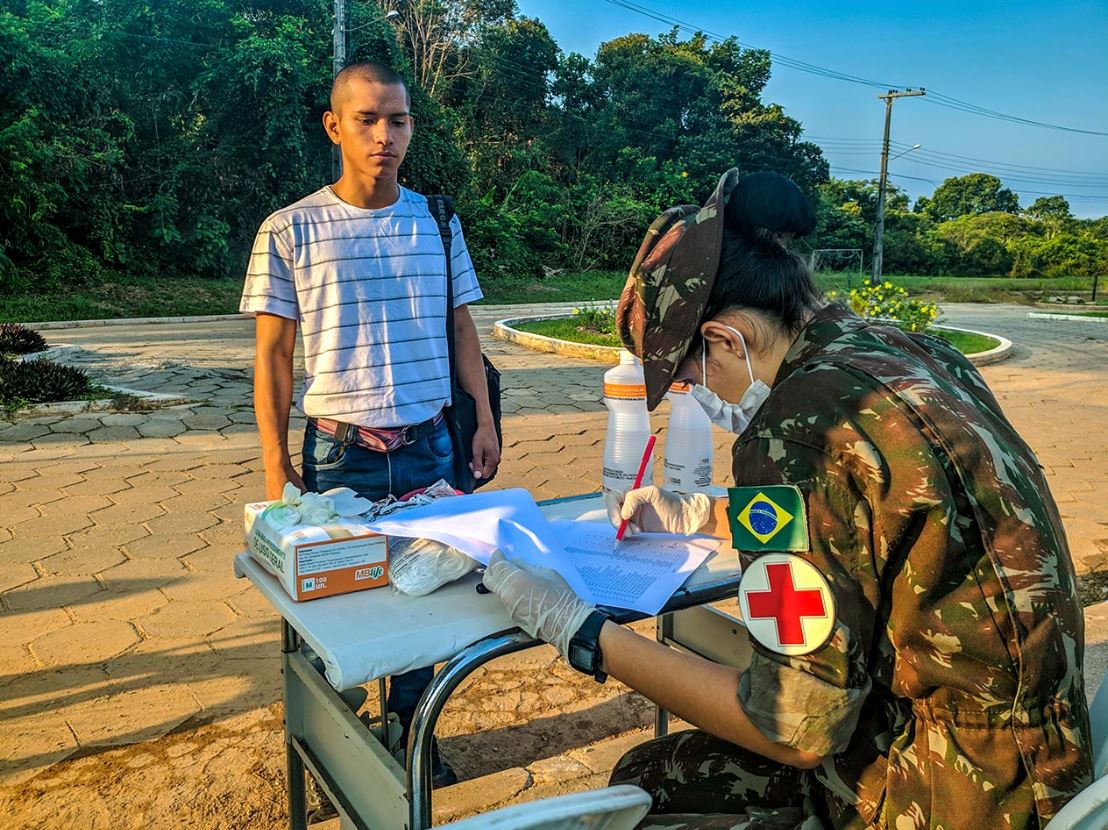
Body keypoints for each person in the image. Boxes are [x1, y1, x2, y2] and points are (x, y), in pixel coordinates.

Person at [480, 170, 1092, 829]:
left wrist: (584, 631)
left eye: (689, 375)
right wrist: (702, 515)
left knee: (649, 784)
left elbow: (791, 728)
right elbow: (867, 522)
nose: (698, 393)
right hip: (1044, 760)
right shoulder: (912, 351)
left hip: (943, 788)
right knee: (662, 768)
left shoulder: (797, 432)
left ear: (724, 338)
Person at [240, 62, 499, 806]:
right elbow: (273, 356)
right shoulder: (290, 229)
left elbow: (461, 328)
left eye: (399, 120)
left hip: (430, 448)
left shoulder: (438, 220)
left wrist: (480, 418)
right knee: (338, 614)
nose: (385, 135)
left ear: (412, 126)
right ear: (336, 126)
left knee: (429, 600)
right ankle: (337, 748)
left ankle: (413, 740)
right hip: (337, 456)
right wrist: (274, 465)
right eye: (367, 119)